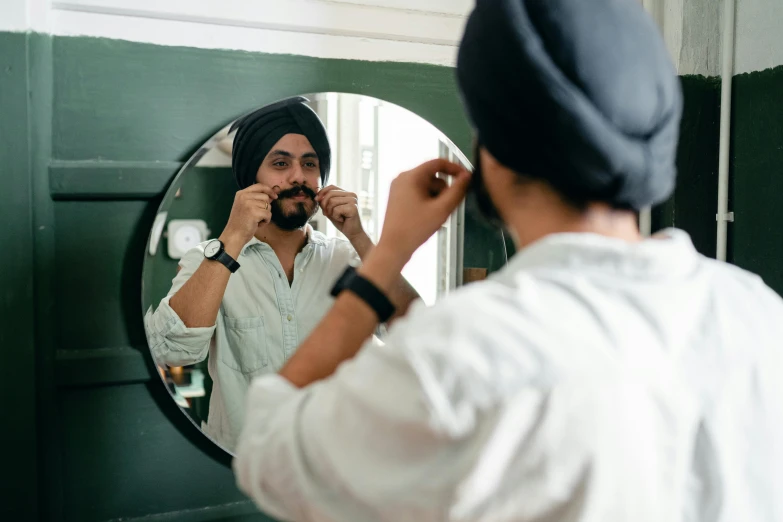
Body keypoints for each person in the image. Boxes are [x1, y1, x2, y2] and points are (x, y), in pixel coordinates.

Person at [232, 1, 783, 521]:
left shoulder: (464, 348)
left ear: (490, 148)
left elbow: (267, 451)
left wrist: (386, 255)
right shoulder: (757, 313)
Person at [144, 97, 421, 452]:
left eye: (310, 163)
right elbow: (171, 351)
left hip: (343, 465)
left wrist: (360, 237)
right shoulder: (208, 261)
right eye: (280, 163)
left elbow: (415, 333)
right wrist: (233, 236)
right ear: (250, 178)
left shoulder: (352, 257)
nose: (298, 177)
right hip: (241, 471)